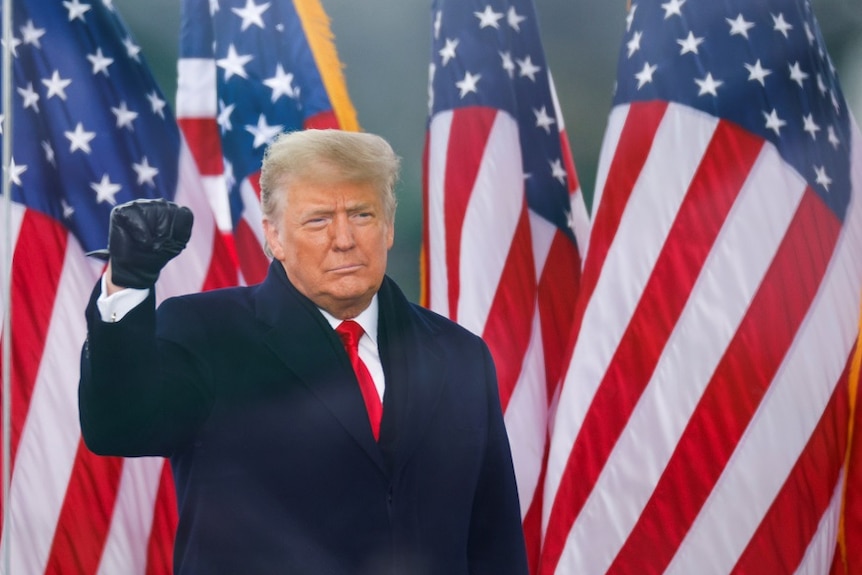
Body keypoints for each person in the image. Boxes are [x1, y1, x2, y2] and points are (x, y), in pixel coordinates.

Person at [79, 129, 529, 575]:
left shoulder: (460, 355)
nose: (344, 239)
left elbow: (495, 540)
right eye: (317, 220)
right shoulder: (206, 333)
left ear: (389, 226)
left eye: (362, 214)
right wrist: (129, 284)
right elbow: (119, 426)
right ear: (273, 237)